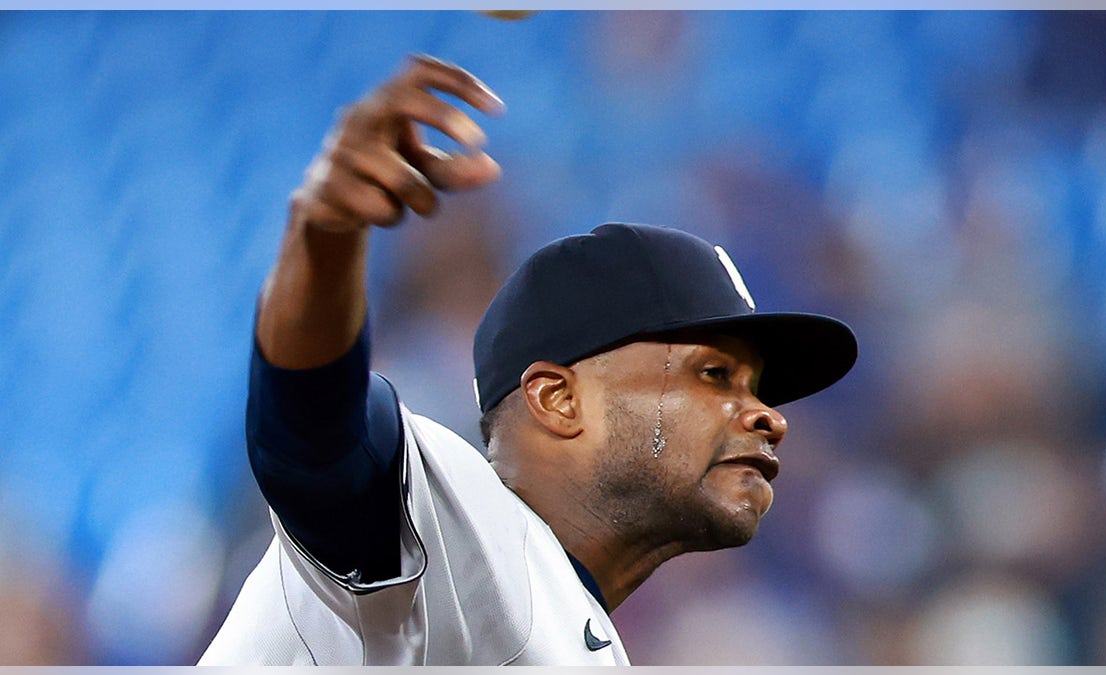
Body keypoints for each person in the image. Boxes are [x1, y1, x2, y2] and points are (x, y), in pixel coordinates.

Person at [199, 54, 858, 666]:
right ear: (558, 399)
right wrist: (326, 240)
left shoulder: (581, 626)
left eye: (755, 386)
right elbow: (315, 428)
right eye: (713, 375)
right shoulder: (443, 531)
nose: (767, 416)